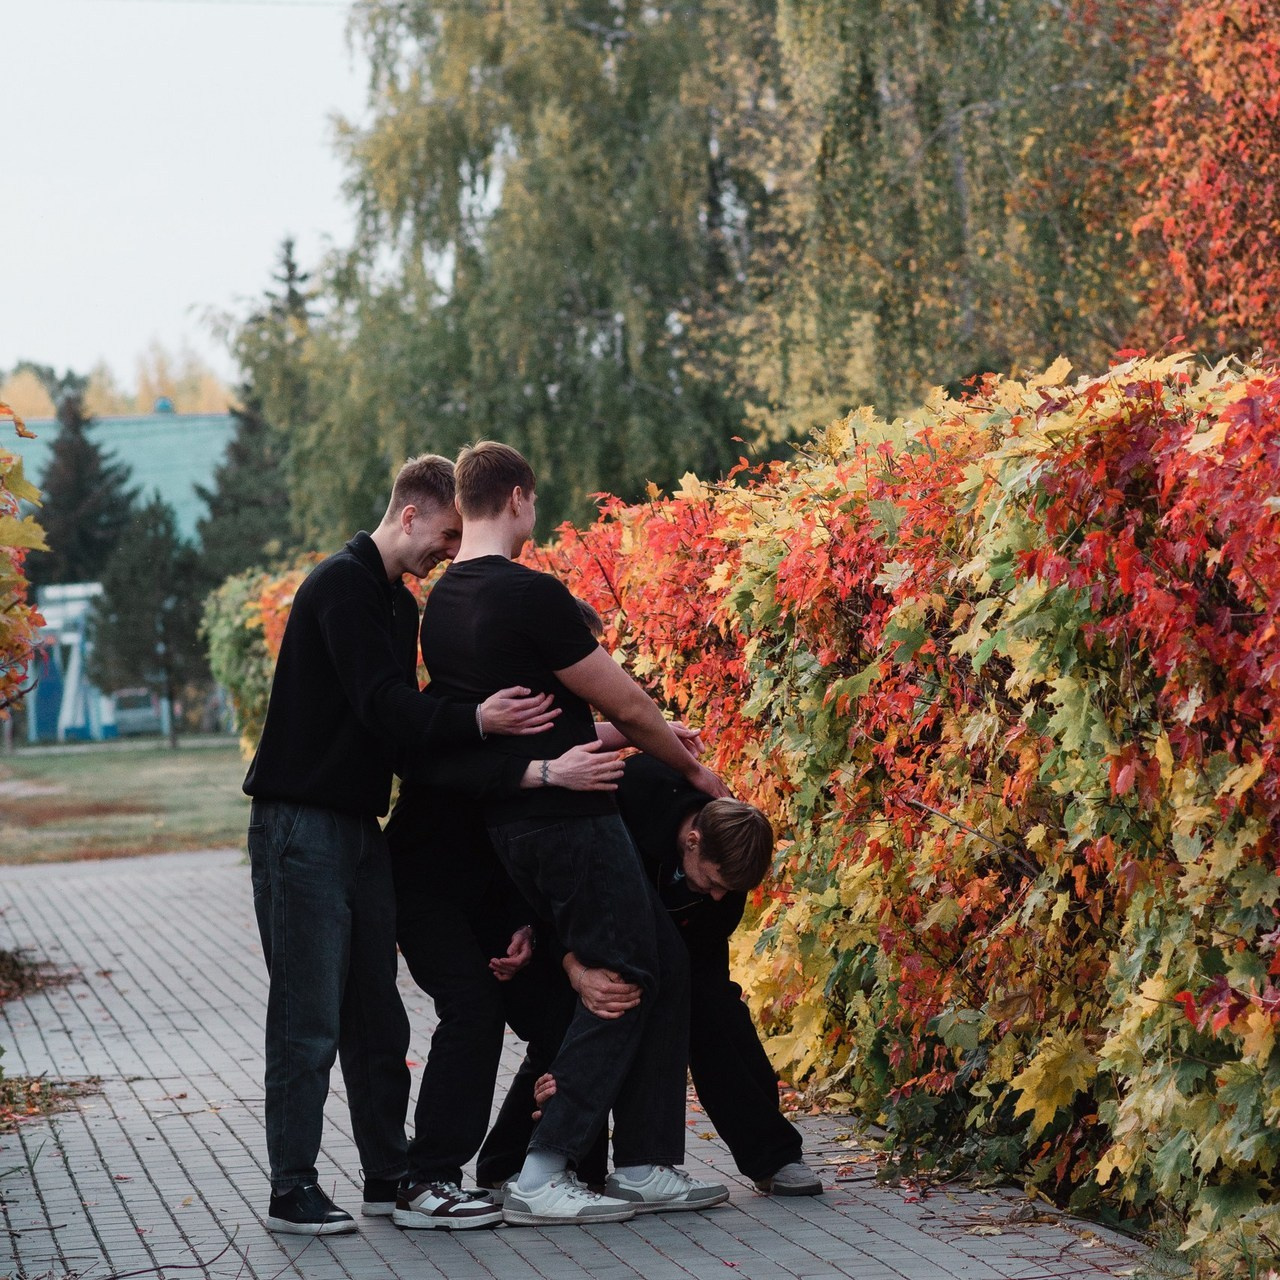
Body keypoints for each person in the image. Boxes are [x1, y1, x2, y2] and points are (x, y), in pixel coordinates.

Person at [415, 440, 731, 1227]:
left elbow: (541, 725)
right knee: (624, 970)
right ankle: (543, 1170)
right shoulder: (532, 595)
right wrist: (692, 773)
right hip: (567, 819)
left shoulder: (444, 606)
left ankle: (648, 1160)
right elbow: (624, 701)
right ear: (518, 496)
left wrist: (634, 735)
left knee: (660, 960)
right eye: (533, 501)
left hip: (518, 819)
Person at [243, 453, 557, 1236]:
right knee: (309, 1019)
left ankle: (390, 1177)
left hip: (359, 829)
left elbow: (408, 733)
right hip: (299, 825)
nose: (449, 552)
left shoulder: (397, 604)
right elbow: (386, 708)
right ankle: (292, 1189)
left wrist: (521, 760)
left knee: (378, 1020)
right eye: (446, 535)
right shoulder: (340, 588)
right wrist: (481, 721)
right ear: (410, 513)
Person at [477, 751, 825, 1198]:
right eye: (713, 882)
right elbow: (562, 882)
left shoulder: (730, 866)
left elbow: (704, 949)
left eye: (729, 891)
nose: (718, 897)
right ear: (693, 840)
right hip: (573, 924)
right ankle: (511, 1164)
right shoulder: (633, 795)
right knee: (590, 1014)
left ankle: (772, 1156)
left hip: (682, 947)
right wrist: (571, 964)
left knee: (718, 1018)